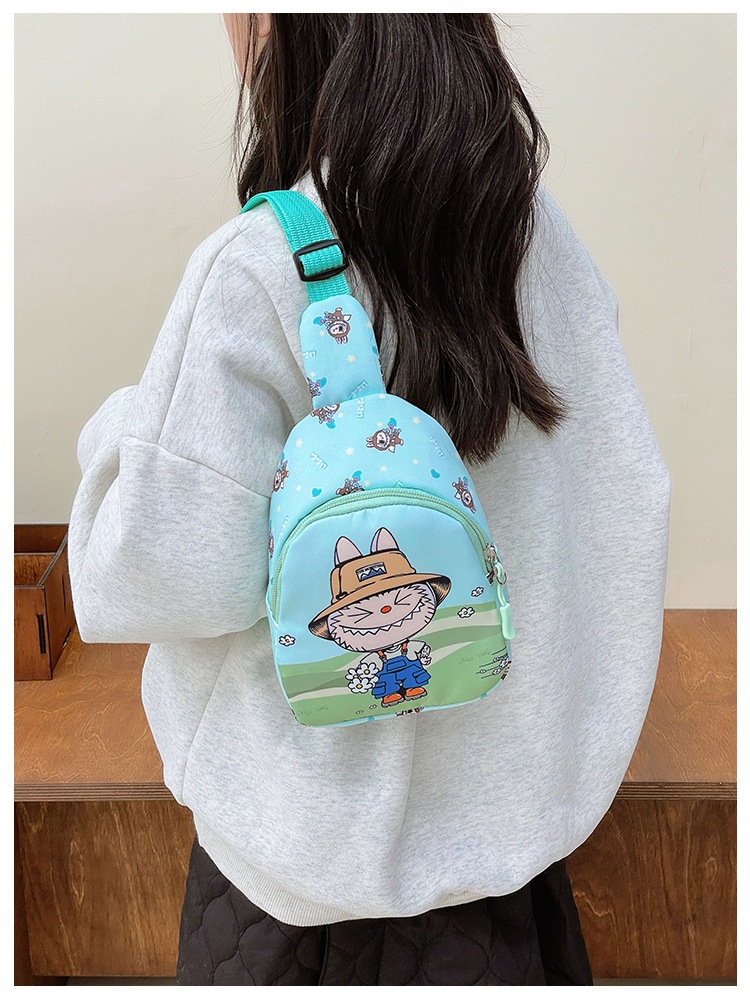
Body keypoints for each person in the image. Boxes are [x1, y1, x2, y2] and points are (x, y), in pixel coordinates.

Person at [67, 13, 671, 987]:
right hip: (512, 887)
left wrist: (118, 433)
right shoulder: (534, 230)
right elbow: (627, 501)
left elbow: (154, 578)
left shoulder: (260, 265)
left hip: (299, 900)